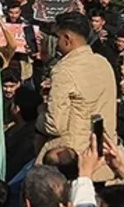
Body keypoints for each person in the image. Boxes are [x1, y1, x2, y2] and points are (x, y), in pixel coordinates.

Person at [39, 15, 117, 182]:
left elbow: (55, 125)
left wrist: (41, 115)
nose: (57, 43)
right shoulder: (103, 62)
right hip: (106, 156)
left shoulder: (64, 70)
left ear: (67, 39)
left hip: (73, 161)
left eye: (57, 38)